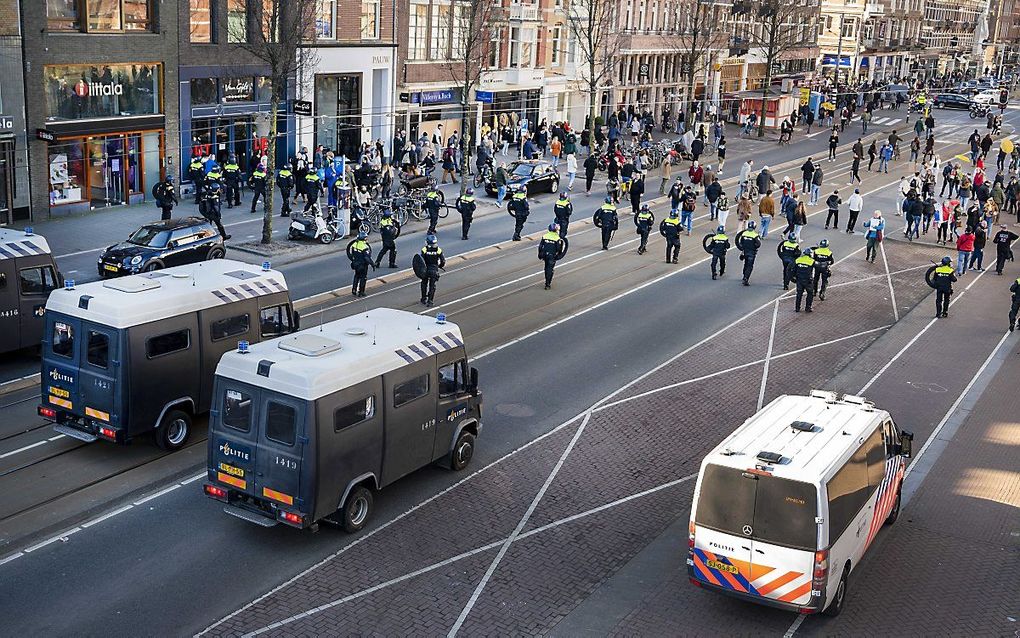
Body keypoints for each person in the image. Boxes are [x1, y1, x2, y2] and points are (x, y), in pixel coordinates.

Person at [200, 169, 230, 240]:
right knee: (219, 225)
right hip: (213, 213)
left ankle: (206, 237)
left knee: (208, 225)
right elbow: (215, 207)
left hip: (207, 212)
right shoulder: (215, 197)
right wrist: (218, 214)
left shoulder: (208, 194)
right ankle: (224, 236)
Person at [418, 234, 445, 307]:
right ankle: (430, 301)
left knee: (424, 283)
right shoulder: (438, 250)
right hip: (434, 270)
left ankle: (423, 299)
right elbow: (443, 261)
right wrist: (440, 266)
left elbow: (420, 260)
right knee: (432, 285)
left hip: (425, 269)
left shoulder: (424, 249)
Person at [538, 223, 567, 289]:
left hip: (545, 255)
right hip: (552, 256)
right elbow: (558, 249)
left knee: (546, 267)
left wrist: (539, 254)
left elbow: (540, 246)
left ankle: (546, 280)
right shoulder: (557, 238)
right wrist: (559, 255)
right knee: (550, 269)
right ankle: (548, 284)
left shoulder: (545, 236)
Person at [348, 230, 374, 297]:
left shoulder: (354, 245)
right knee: (363, 278)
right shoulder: (364, 247)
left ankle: (354, 289)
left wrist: (352, 259)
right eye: (366, 237)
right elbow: (367, 258)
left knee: (356, 276)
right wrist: (372, 264)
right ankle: (361, 292)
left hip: (356, 264)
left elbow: (351, 253)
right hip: (363, 265)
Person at [735, 220, 761, 286]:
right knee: (750, 266)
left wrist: (743, 248)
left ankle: (744, 275)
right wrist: (753, 246)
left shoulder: (744, 234)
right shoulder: (755, 235)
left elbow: (741, 242)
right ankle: (746, 278)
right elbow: (758, 244)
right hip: (751, 252)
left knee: (746, 263)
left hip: (745, 252)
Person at [793, 248, 816, 312]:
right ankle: (808, 307)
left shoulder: (798, 260)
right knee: (810, 293)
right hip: (808, 280)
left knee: (799, 294)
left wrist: (793, 278)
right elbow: (816, 268)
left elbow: (793, 269)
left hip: (799, 279)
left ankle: (797, 308)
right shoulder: (812, 261)